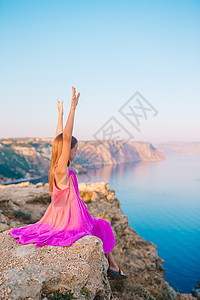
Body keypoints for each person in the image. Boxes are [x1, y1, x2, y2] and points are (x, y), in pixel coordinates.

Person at [8, 86, 127, 280]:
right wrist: (73, 108)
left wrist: (60, 114)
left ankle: (113, 266)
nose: (75, 152)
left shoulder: (56, 166)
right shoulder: (61, 169)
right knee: (102, 225)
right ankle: (113, 266)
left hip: (69, 213)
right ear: (67, 149)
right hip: (70, 219)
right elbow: (63, 139)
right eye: (75, 149)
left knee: (101, 225)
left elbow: (58, 139)